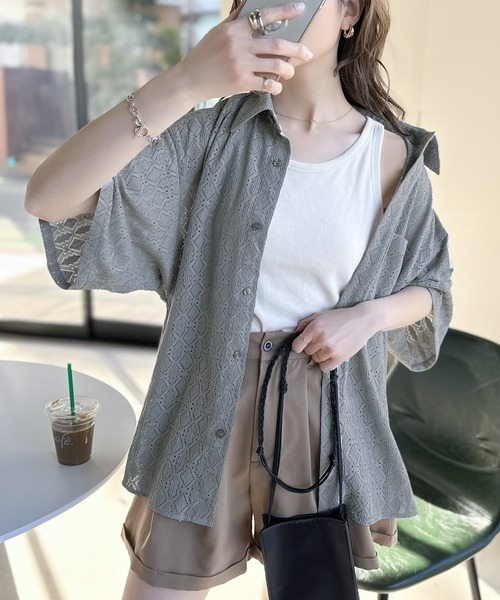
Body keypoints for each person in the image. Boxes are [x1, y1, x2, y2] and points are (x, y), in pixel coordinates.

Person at [25, 0, 453, 598]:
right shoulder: (210, 138)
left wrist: (369, 317)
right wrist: (184, 82)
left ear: (350, 11)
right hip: (204, 395)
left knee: (308, 585)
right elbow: (48, 198)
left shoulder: (393, 158)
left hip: (321, 407)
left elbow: (434, 286)